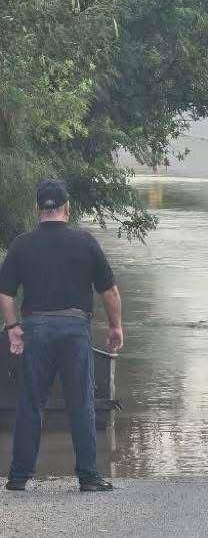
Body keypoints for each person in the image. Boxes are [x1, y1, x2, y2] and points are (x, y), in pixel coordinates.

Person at [0, 178, 123, 492]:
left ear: (37, 209)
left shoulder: (21, 244)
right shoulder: (85, 242)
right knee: (80, 402)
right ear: (68, 208)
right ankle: (88, 476)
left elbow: (5, 293)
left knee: (30, 403)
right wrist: (115, 326)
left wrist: (14, 327)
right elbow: (109, 291)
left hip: (36, 330)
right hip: (74, 329)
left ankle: (18, 477)